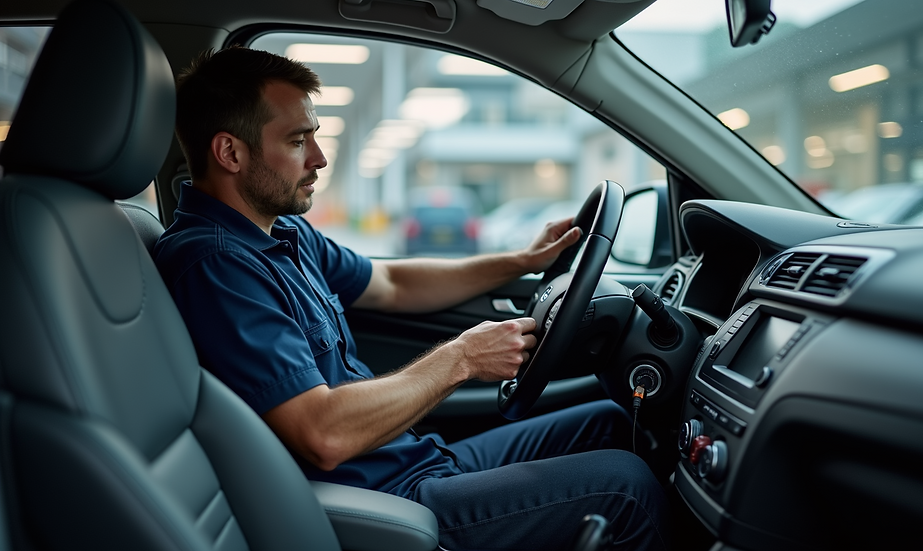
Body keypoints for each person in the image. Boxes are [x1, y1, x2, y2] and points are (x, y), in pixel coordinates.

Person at [153, 46, 669, 551]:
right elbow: (323, 434)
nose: (319, 157)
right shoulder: (217, 265)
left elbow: (394, 284)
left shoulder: (280, 233)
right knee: (625, 487)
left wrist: (518, 262)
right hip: (384, 503)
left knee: (609, 424)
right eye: (296, 141)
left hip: (412, 461)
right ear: (231, 153)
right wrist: (462, 358)